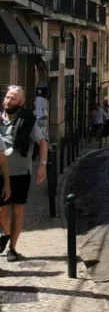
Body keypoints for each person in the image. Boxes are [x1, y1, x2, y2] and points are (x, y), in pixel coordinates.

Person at [0, 86, 47, 263]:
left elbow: (42, 142)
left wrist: (42, 166)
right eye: (7, 97)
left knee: (17, 210)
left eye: (13, 99)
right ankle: (7, 233)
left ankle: (12, 248)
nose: (8, 101)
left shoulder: (27, 121)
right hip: (0, 173)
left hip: (21, 173)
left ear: (21, 102)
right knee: (1, 210)